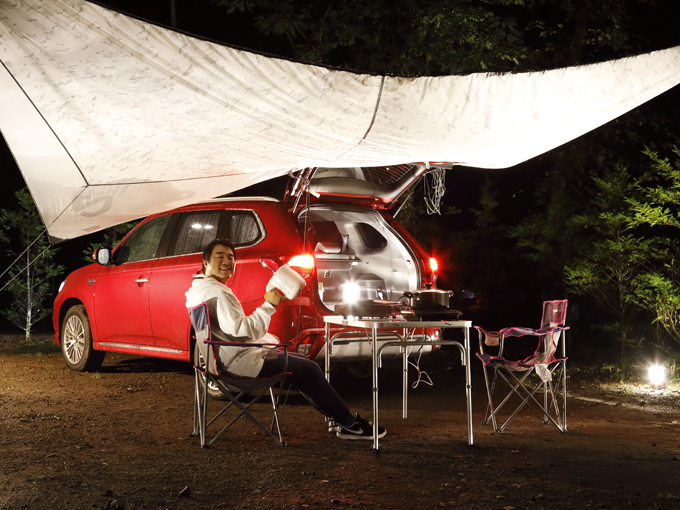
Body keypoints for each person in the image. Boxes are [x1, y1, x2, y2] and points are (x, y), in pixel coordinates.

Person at [185, 238, 386, 440]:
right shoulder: (217, 293)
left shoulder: (199, 290)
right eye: (219, 256)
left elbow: (230, 332)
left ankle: (337, 416)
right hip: (237, 367)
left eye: (231, 257)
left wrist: (269, 342)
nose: (227, 261)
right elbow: (244, 330)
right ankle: (348, 423)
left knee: (303, 363)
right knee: (308, 369)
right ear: (205, 262)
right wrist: (268, 306)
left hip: (218, 365)